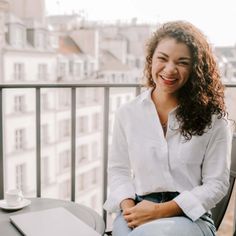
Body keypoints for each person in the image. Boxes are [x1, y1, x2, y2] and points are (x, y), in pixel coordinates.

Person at [103, 20, 233, 236]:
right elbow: (118, 171)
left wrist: (159, 211)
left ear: (195, 69)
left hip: (190, 217)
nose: (170, 69)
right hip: (138, 207)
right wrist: (130, 210)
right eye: (162, 58)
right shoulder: (128, 113)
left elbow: (216, 184)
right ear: (151, 60)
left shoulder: (214, 120)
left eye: (182, 62)